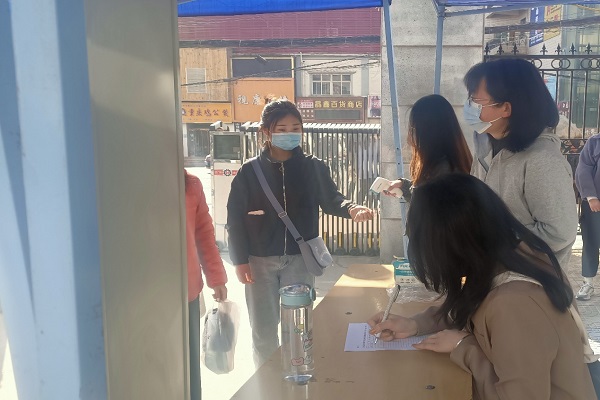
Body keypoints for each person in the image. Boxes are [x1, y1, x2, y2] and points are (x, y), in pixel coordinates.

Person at [369, 174, 597, 400]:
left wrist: (463, 346)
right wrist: (415, 324)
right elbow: (468, 309)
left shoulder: (515, 303)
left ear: (449, 244)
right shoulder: (508, 257)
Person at [226, 99, 374, 367]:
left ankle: (298, 373)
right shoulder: (250, 171)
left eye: (295, 128)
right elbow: (234, 218)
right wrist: (239, 260)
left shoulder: (313, 167)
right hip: (259, 261)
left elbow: (332, 199)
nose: (290, 134)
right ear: (266, 131)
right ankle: (267, 381)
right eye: (282, 129)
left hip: (300, 260)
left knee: (298, 327)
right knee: (263, 330)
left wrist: (352, 208)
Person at [463, 58, 577, 270]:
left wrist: (494, 242)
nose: (469, 107)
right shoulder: (485, 148)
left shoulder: (542, 160)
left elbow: (558, 233)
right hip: (491, 275)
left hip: (527, 282)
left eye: (475, 101)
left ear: (506, 108)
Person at [185, 169, 228, 400]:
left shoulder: (190, 185)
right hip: (144, 293)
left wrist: (216, 277)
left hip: (187, 292)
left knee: (189, 365)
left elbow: (203, 234)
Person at [383, 94, 472, 201]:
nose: (410, 140)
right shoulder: (451, 166)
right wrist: (404, 186)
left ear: (428, 133)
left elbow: (428, 204)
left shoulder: (444, 173)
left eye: (414, 130)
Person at [575, 134, 600, 300]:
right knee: (591, 242)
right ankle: (588, 283)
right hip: (595, 204)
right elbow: (583, 169)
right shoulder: (595, 142)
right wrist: (591, 197)